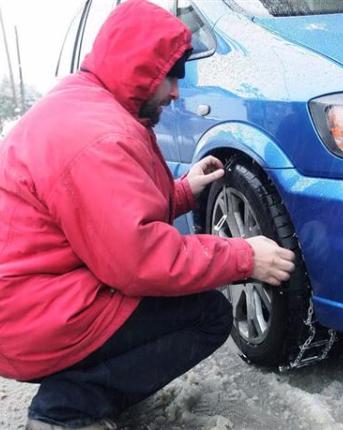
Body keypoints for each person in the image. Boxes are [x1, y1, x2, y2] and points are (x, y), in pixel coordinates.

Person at [0, 1, 296, 429]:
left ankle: (87, 384)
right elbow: (139, 261)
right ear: (138, 68)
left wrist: (182, 191)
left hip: (31, 303)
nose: (177, 91)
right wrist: (243, 256)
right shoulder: (100, 136)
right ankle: (65, 411)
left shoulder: (85, 104)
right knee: (207, 315)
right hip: (36, 316)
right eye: (170, 75)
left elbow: (107, 214)